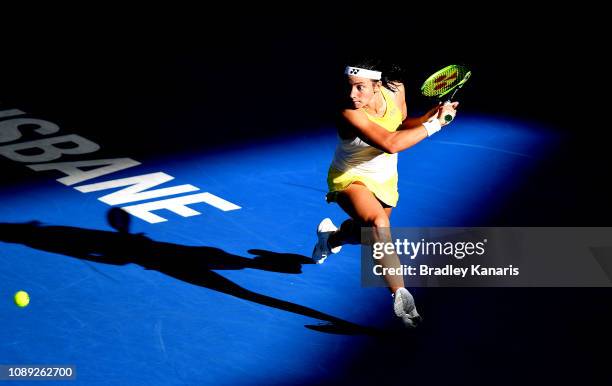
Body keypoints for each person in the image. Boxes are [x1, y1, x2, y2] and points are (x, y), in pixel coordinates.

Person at [312, 59, 459, 327]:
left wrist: (430, 116)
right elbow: (390, 143)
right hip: (350, 176)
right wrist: (436, 126)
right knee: (379, 225)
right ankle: (403, 302)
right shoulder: (349, 112)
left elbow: (400, 124)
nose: (351, 95)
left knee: (368, 235)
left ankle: (332, 239)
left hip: (384, 178)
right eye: (349, 88)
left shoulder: (396, 89)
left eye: (359, 88)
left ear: (378, 85)